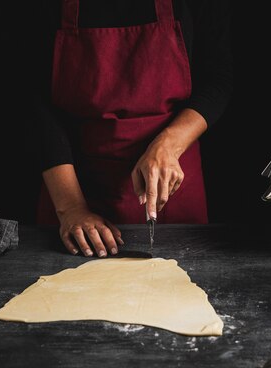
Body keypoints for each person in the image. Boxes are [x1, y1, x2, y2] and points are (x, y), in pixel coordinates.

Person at [37, 0, 232, 257]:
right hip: (73, 180)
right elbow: (33, 102)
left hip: (171, 178)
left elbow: (218, 80)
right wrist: (71, 207)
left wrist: (168, 145)